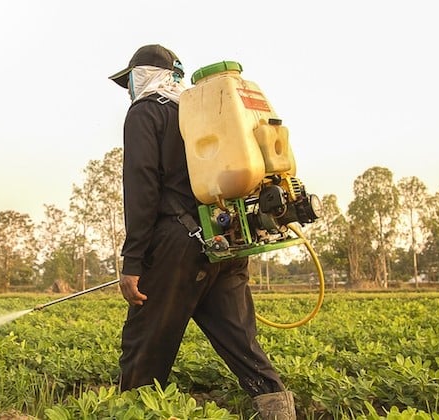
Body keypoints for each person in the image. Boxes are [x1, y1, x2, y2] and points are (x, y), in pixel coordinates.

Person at [108, 44, 296, 420]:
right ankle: (278, 410)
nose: (128, 89)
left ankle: (132, 413)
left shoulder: (146, 112)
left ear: (141, 76)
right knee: (241, 341)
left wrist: (133, 262)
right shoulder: (204, 113)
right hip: (224, 240)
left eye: (129, 80)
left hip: (177, 246)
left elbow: (142, 187)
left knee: (144, 343)